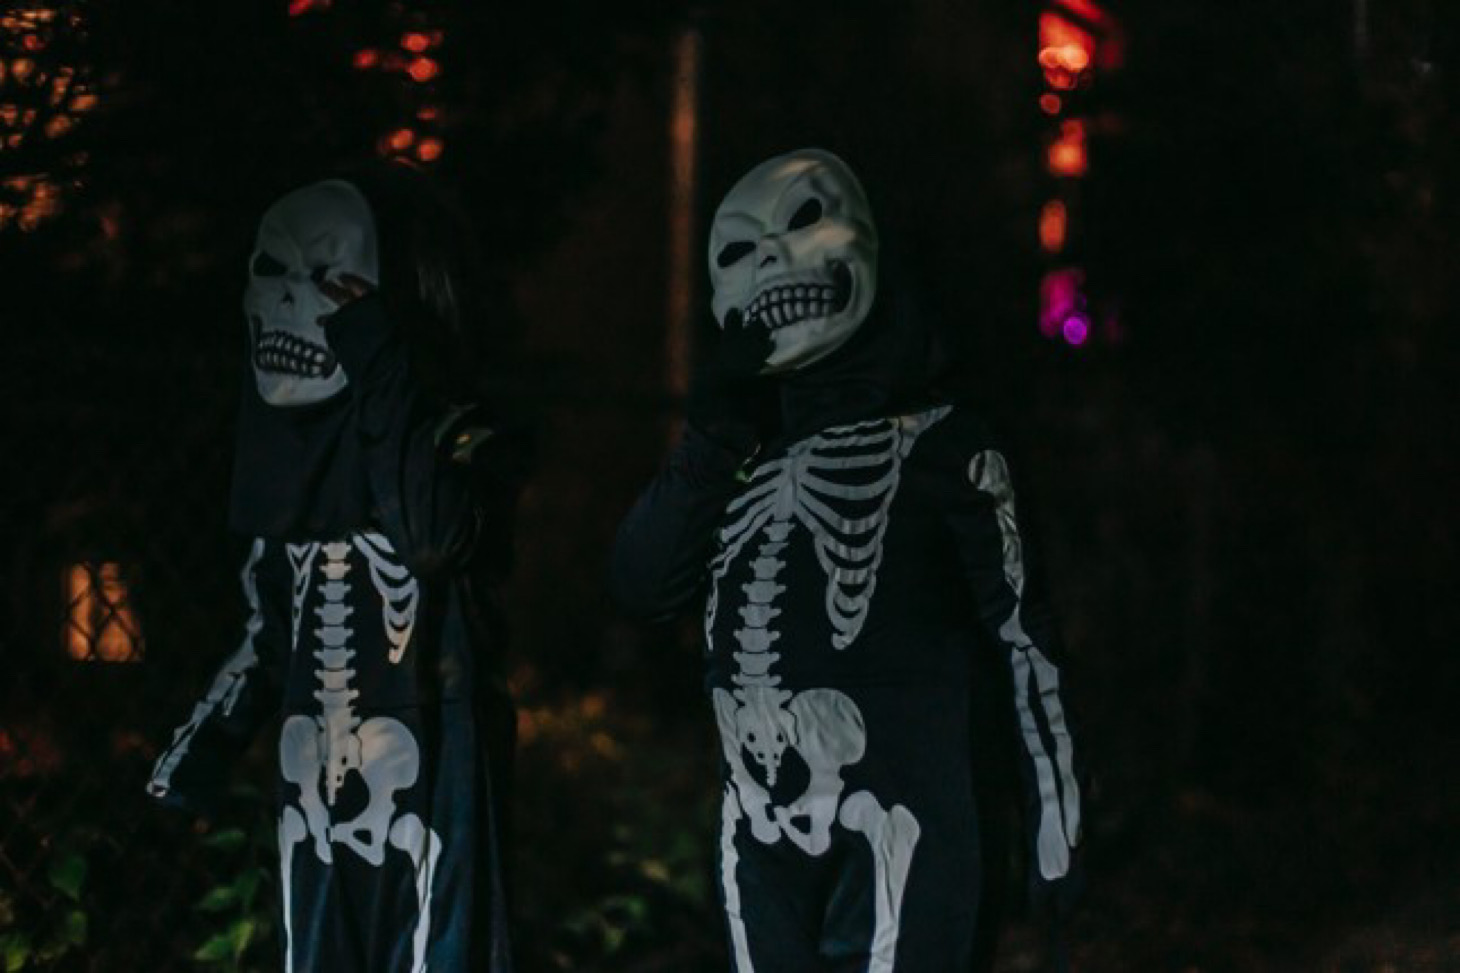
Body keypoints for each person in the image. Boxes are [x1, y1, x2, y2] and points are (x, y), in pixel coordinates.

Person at [612, 148, 1082, 970]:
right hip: (758, 829)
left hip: (908, 827)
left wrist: (1056, 823)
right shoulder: (735, 459)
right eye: (740, 249)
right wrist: (714, 434)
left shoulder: (948, 445)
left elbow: (1024, 638)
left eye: (799, 225)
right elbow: (642, 584)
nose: (768, 263)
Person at [147, 165, 520, 973]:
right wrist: (198, 750)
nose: (286, 299)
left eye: (324, 276)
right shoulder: (289, 495)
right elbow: (269, 628)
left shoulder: (456, 450)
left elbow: (432, 539)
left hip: (432, 778)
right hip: (311, 788)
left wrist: (382, 362)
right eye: (270, 271)